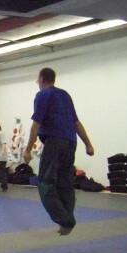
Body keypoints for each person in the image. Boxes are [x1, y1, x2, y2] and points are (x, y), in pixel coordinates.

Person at [23, 68, 94, 236]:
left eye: (37, 80)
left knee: (44, 182)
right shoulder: (65, 95)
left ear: (41, 79)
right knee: (65, 183)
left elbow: (36, 124)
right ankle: (67, 219)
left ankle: (65, 219)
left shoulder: (43, 95)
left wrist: (27, 150)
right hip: (71, 143)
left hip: (54, 142)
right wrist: (88, 145)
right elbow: (76, 123)